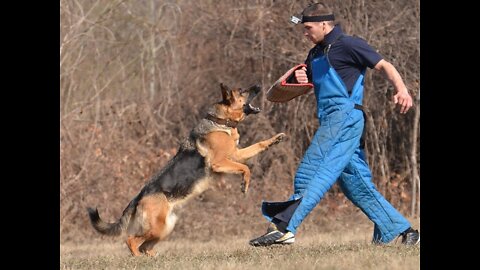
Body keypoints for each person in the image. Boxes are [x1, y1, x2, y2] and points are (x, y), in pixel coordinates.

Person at [249, 2, 419, 247]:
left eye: (308, 28)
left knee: (312, 169)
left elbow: (384, 65)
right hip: (330, 119)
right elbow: (307, 80)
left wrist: (401, 89)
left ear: (325, 25)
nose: (305, 33)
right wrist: (297, 80)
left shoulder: (349, 45)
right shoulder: (315, 54)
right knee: (354, 182)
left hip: (345, 117)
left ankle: (285, 227)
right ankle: (404, 231)